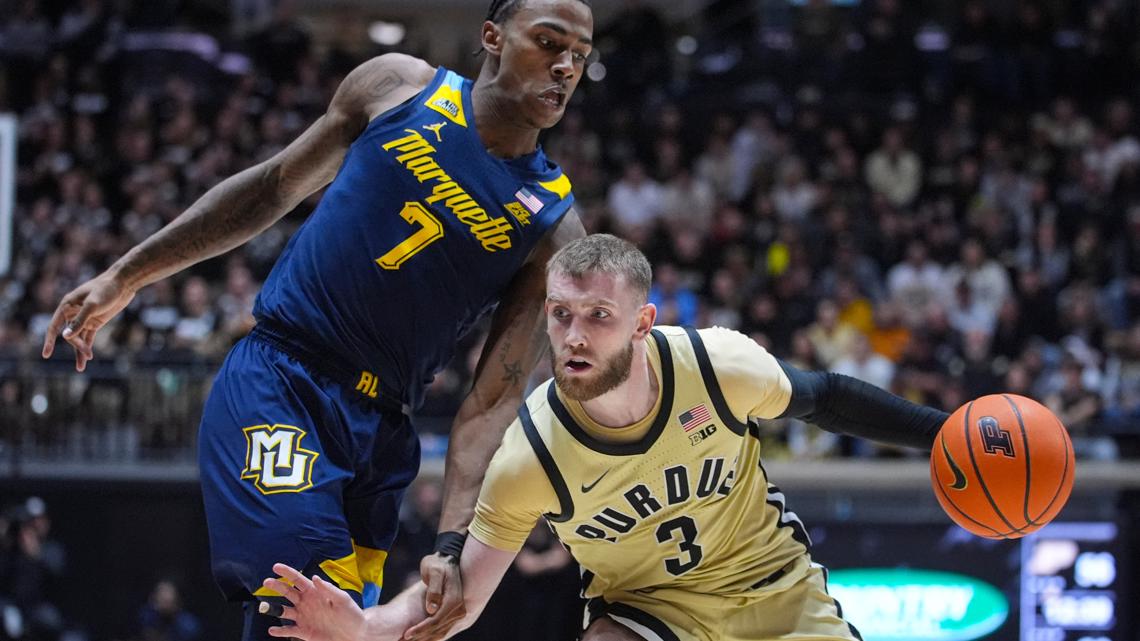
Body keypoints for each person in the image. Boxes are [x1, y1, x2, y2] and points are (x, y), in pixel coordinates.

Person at [40, 0, 595, 638]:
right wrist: (127, 274)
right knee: (319, 611)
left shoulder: (553, 225)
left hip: (382, 432)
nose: (564, 67)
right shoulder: (399, 87)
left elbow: (493, 400)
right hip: (281, 382)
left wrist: (448, 540)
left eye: (579, 56)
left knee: (311, 627)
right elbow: (271, 187)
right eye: (548, 42)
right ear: (493, 37)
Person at [257, 234, 952, 641]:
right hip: (653, 615)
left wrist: (945, 434)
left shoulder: (718, 365)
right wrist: (368, 628)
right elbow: (462, 593)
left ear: (644, 322)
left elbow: (827, 398)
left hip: (775, 593)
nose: (574, 335)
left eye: (597, 315)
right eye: (560, 315)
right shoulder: (534, 452)